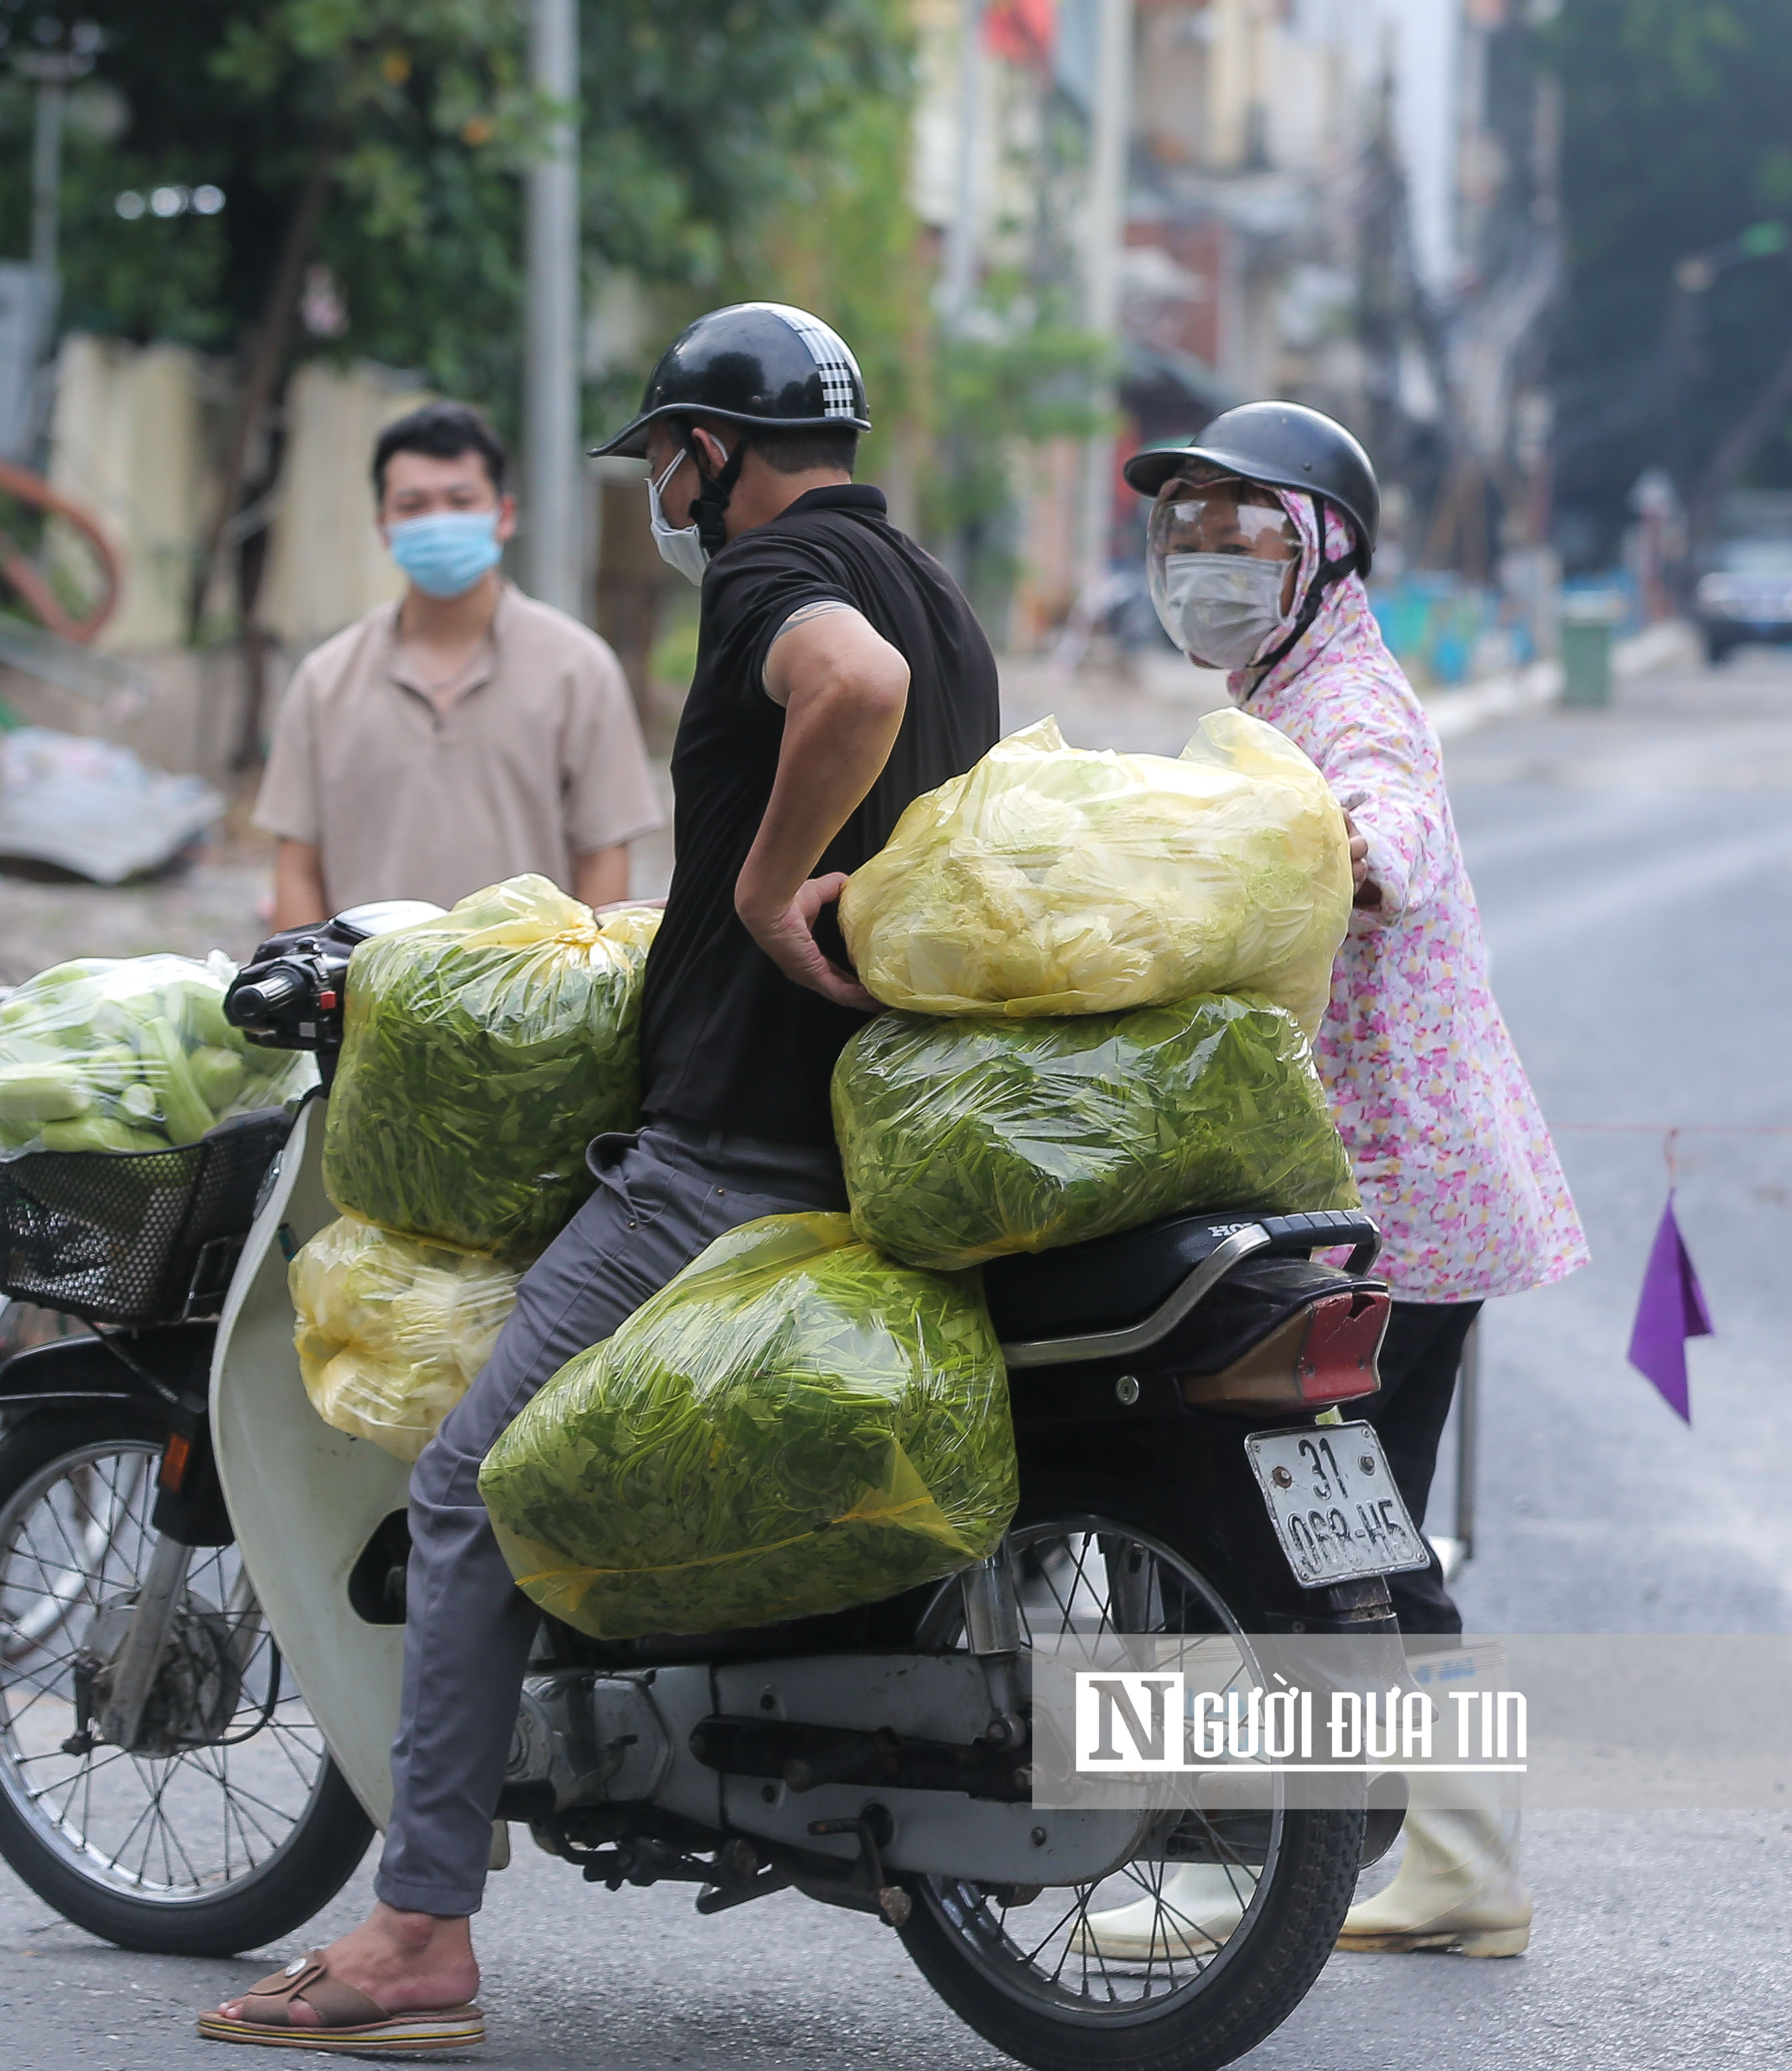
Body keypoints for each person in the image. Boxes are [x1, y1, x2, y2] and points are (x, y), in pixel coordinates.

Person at [202, 306, 1000, 2051]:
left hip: (725, 1153)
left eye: (667, 457)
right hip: (867, 1142)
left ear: (715, 450)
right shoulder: (936, 592)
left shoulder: (778, 576)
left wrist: (761, 889)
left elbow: (838, 693)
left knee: (466, 1485)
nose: (662, 490)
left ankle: (417, 1925)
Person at [1075, 400, 1585, 1962]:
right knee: (1363, 1531)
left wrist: (1339, 852)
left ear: (1321, 545)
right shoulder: (1273, 686)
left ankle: (1270, 1856)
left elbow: (1395, 825)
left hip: (1392, 1205)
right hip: (1389, 1195)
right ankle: (1442, 1854)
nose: (1209, 548)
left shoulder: (1343, 693)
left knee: (1293, 1520)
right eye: (1188, 521)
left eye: (1247, 519)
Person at [255, 400, 660, 925]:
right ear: (382, 526)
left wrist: (575, 991)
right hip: (367, 995)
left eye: (460, 500)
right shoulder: (325, 680)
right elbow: (296, 866)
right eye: (413, 505)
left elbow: (603, 855)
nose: (438, 522)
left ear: (504, 516)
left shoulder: (578, 670)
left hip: (527, 997)